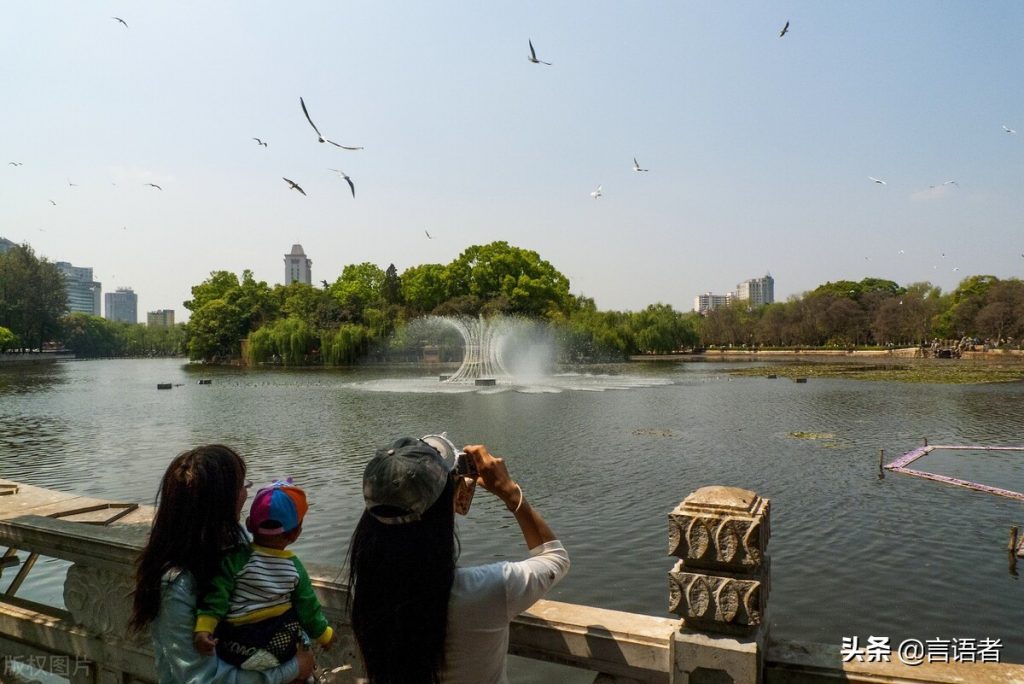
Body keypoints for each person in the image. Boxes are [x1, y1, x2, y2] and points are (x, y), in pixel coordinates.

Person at [347, 437, 570, 683]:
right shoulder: (488, 589)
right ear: (446, 505)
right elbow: (556, 558)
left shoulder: (369, 593)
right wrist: (508, 491)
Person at [130, 445, 315, 684]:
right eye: (241, 487)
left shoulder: (233, 552)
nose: (246, 494)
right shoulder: (177, 583)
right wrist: (293, 669)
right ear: (220, 501)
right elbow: (202, 678)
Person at [194, 478, 335, 670]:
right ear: (296, 534)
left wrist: (204, 627)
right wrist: (325, 635)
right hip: (277, 649)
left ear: (249, 525)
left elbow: (216, 595)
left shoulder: (234, 559)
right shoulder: (294, 568)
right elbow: (308, 609)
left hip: (232, 649)